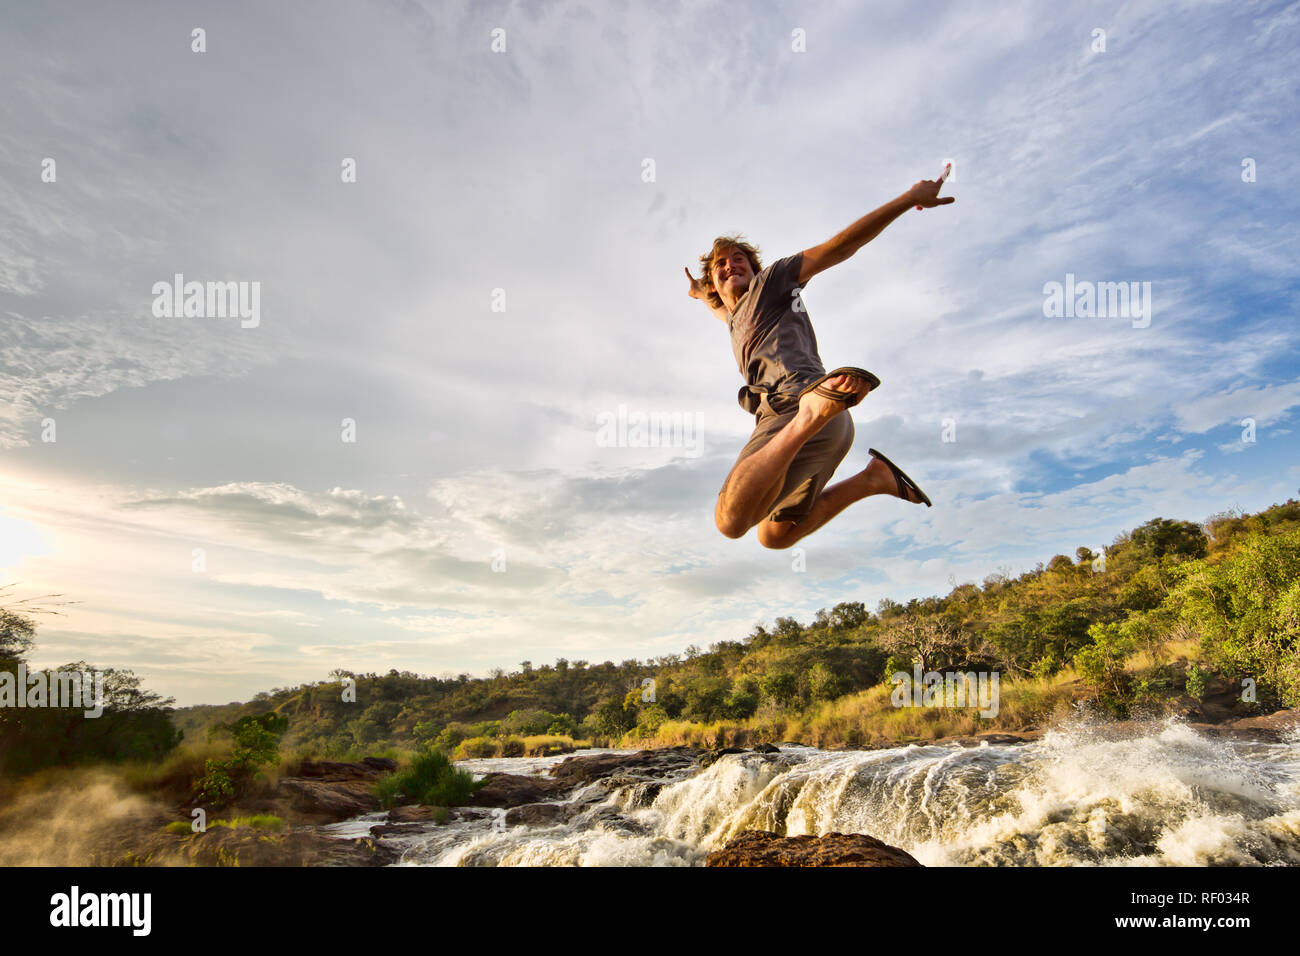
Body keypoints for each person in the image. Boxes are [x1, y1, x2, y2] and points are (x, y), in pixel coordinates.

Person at [685, 175, 953, 548]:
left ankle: (812, 414)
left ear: (756, 269)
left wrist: (908, 199)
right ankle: (873, 479)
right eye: (720, 265)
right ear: (713, 282)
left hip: (799, 403)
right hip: (835, 423)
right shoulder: (734, 316)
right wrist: (701, 295)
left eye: (739, 259)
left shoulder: (771, 283)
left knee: (730, 521)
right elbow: (720, 307)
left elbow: (838, 248)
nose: (730, 265)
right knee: (775, 535)